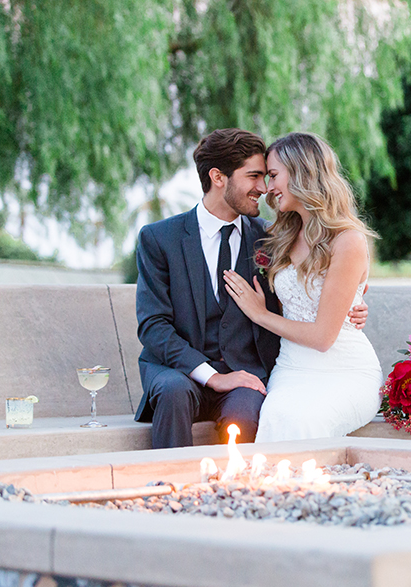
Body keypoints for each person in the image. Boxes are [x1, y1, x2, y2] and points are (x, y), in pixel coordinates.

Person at [134, 128, 368, 448]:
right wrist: (212, 376)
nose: (264, 188)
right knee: (173, 392)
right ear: (219, 177)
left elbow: (319, 283)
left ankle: (237, 493)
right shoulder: (159, 238)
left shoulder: (272, 238)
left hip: (245, 373)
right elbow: (152, 326)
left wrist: (353, 307)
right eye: (255, 176)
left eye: (268, 176)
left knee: (247, 412)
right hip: (178, 369)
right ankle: (166, 486)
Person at [222, 132, 382, 442]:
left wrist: (260, 314)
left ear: (301, 172)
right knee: (277, 418)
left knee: (307, 423)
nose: (268, 187)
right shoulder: (280, 237)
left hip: (345, 372)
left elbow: (324, 337)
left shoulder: (347, 240)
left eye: (273, 175)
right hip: (292, 370)